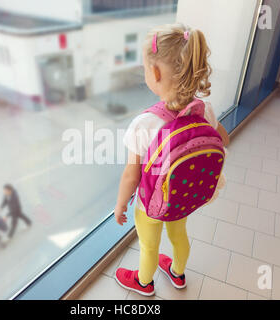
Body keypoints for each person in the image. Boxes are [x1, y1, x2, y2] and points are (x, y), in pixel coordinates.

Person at [113, 23, 229, 296]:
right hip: (184, 194)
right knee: (179, 235)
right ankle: (177, 273)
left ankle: (143, 282)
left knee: (149, 245)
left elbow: (132, 175)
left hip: (151, 203)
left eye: (145, 68)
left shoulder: (144, 124)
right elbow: (223, 140)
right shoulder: (206, 109)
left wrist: (120, 205)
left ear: (154, 73)